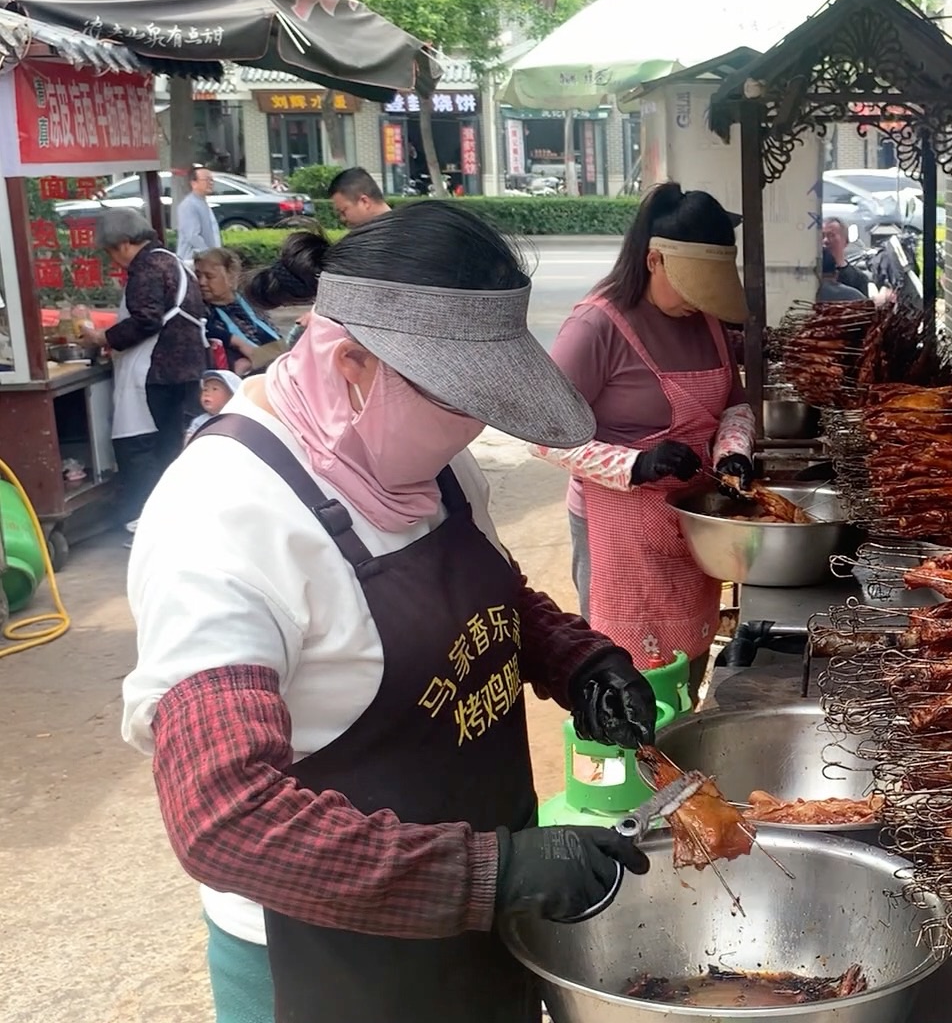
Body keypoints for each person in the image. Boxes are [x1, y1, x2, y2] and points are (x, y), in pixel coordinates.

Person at [120, 202, 658, 1023]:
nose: (475, 424)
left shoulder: (426, 464)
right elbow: (225, 816)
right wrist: (493, 873)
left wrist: (575, 659)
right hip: (328, 963)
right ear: (350, 365)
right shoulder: (222, 516)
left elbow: (493, 593)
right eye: (458, 398)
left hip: (474, 937)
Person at [535, 183, 756, 676]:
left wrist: (733, 451)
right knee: (632, 673)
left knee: (688, 661)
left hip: (692, 526)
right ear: (655, 260)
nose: (698, 306)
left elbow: (735, 405)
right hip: (621, 533)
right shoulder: (596, 327)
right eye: (691, 288)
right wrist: (637, 464)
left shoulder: (708, 323)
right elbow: (544, 434)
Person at [83, 208, 209, 527]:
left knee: (144, 447)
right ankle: (171, 518)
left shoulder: (147, 267)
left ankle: (147, 520)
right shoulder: (169, 260)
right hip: (184, 369)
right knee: (170, 445)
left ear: (124, 243)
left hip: (158, 372)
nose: (113, 260)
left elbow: (146, 319)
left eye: (111, 252)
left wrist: (103, 336)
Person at [197, 248, 286, 375]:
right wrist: (237, 342)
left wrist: (254, 359)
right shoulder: (200, 309)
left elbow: (281, 347)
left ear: (231, 276)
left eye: (209, 276)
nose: (201, 282)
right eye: (198, 275)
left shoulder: (248, 300)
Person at [176, 164, 221, 262]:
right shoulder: (188, 205)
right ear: (194, 183)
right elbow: (192, 236)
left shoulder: (202, 202)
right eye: (207, 180)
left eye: (212, 180)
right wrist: (209, 256)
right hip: (193, 261)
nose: (211, 183)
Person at [185, 369, 242, 443]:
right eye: (205, 389)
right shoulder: (199, 422)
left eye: (215, 389)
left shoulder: (240, 421)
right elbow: (189, 445)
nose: (207, 393)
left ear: (232, 396)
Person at [821, 217, 871, 295]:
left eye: (831, 235)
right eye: (822, 236)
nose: (825, 240)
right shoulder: (813, 274)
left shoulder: (858, 278)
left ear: (846, 241)